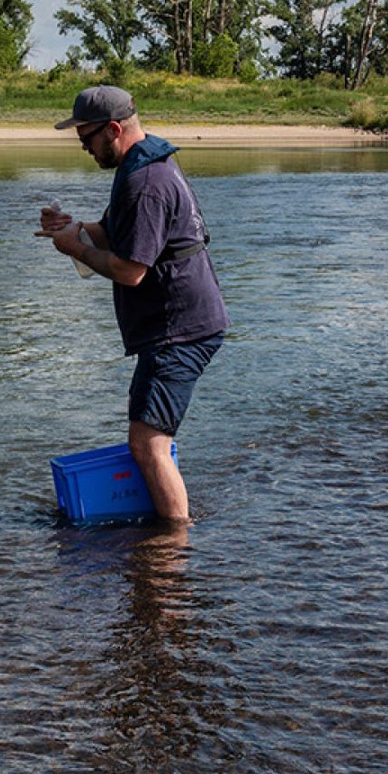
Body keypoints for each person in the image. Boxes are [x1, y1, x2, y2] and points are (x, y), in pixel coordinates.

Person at [38, 85, 226, 522]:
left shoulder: (146, 182)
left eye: (87, 138)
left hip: (181, 328)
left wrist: (76, 250)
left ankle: (174, 544)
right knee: (146, 437)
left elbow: (130, 270)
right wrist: (74, 228)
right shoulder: (139, 165)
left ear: (115, 129)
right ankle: (164, 532)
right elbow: (116, 231)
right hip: (177, 323)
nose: (83, 147)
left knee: (149, 442)